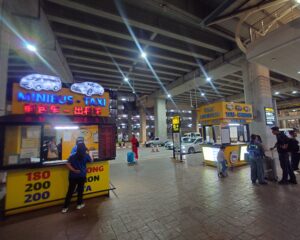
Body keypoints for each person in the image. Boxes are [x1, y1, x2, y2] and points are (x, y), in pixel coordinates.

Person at [62, 142, 92, 213]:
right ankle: (79, 205)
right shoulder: (86, 155)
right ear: (84, 148)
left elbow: (67, 164)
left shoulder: (72, 156)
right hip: (82, 176)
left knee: (70, 192)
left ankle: (65, 208)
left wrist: (74, 170)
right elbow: (91, 160)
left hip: (73, 176)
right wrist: (90, 153)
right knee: (80, 191)